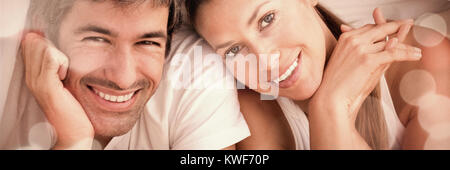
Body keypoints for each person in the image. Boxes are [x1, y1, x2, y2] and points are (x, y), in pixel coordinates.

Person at [185, 0, 450, 149]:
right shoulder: (249, 115)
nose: (265, 61)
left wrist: (329, 107)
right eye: (233, 50)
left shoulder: (422, 60)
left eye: (267, 19)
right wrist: (332, 107)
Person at [0, 0, 249, 150]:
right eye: (97, 39)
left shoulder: (195, 70)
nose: (123, 78)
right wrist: (74, 140)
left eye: (147, 43)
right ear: (43, 28)